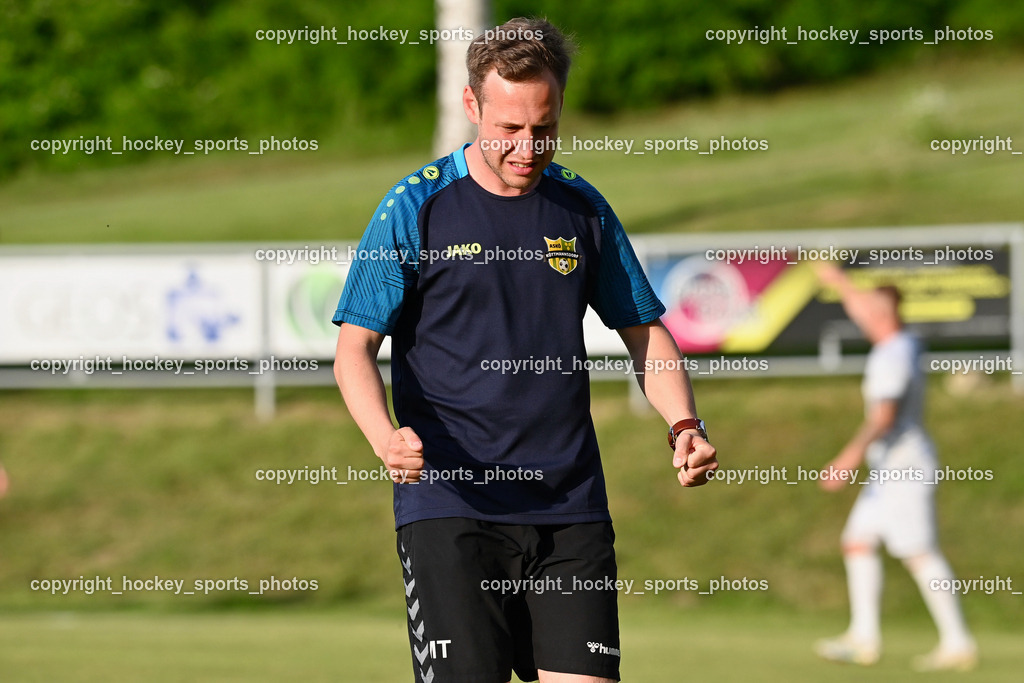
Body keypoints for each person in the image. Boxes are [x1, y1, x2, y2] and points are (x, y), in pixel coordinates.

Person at [332, 17, 717, 683]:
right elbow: (354, 349)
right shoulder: (414, 206)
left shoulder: (583, 208)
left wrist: (684, 424)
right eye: (509, 128)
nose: (527, 147)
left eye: (544, 128)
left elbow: (644, 331)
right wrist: (384, 438)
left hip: (570, 506)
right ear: (471, 104)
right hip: (452, 506)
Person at [814, 264, 977, 672]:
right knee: (858, 540)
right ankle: (863, 638)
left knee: (919, 552)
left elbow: (884, 417)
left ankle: (958, 642)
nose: (858, 316)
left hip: (905, 468)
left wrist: (848, 458)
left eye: (866, 311)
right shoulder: (901, 341)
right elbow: (864, 306)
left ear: (881, 315)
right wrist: (840, 282)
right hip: (887, 471)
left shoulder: (893, 355)